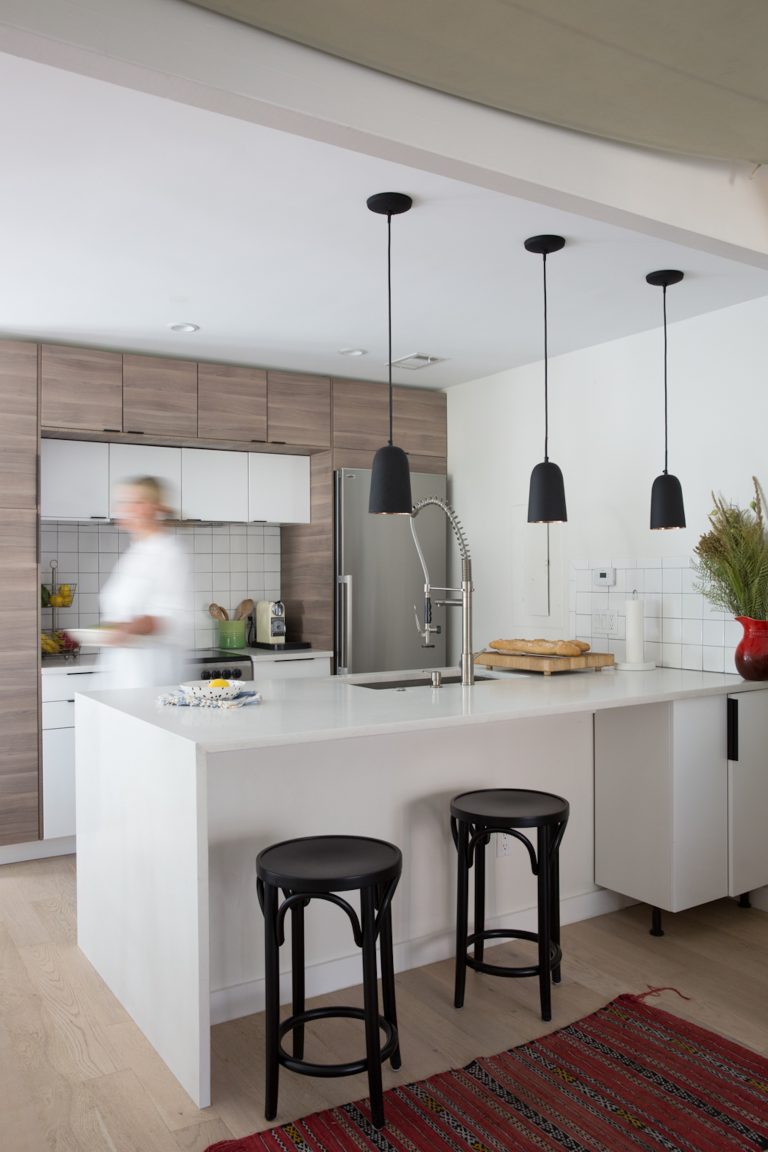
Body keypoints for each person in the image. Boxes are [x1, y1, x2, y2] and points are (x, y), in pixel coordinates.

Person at [99, 476, 190, 689]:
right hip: (122, 671)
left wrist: (128, 628)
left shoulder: (168, 552)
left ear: (154, 507)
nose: (126, 509)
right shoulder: (135, 552)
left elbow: (173, 615)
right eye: (123, 503)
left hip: (151, 676)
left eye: (136, 502)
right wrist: (119, 628)